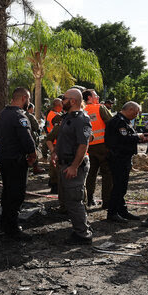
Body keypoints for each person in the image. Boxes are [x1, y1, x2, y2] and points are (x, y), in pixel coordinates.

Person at [0, 87, 37, 241]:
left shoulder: (2, 114)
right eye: (29, 99)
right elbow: (27, 139)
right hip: (16, 160)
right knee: (16, 194)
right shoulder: (19, 116)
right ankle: (12, 228)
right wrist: (33, 155)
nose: (29, 102)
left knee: (7, 191)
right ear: (24, 98)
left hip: (4, 158)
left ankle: (5, 223)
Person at [50, 88, 93, 244]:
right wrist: (55, 152)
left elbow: (83, 145)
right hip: (65, 163)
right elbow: (62, 139)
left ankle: (83, 234)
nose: (62, 101)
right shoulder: (68, 117)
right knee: (69, 200)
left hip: (74, 166)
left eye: (65, 99)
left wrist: (74, 166)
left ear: (73, 101)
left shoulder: (81, 119)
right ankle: (81, 227)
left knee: (74, 201)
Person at [104, 101, 148, 223]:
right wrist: (139, 137)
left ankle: (122, 210)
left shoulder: (124, 121)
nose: (136, 116)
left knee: (122, 186)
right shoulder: (119, 121)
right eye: (136, 112)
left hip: (123, 157)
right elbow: (123, 139)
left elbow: (127, 136)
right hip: (118, 158)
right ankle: (112, 213)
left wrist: (139, 137)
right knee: (119, 186)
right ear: (130, 109)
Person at [83, 89, 112, 209]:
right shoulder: (99, 108)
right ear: (89, 97)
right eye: (95, 95)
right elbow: (111, 123)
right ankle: (107, 202)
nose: (98, 97)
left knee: (90, 174)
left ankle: (89, 200)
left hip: (87, 147)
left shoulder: (81, 110)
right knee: (107, 174)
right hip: (103, 147)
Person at [45, 98, 63, 193]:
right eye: (61, 105)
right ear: (58, 106)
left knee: (53, 166)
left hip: (52, 141)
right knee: (55, 167)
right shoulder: (56, 116)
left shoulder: (50, 113)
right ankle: (54, 185)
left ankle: (53, 183)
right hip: (55, 142)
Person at [26, 103, 42, 174]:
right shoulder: (30, 116)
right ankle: (35, 168)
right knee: (34, 151)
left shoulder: (19, 114)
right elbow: (36, 127)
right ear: (30, 108)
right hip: (31, 136)